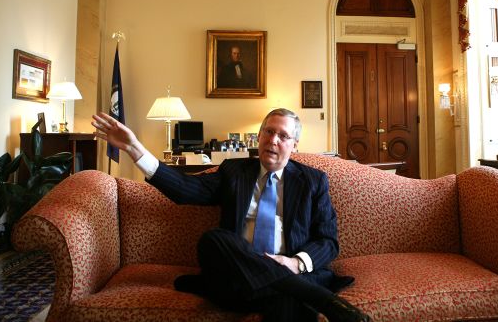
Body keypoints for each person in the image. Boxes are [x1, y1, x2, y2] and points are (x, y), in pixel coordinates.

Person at [91, 108, 369, 322]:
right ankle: (325, 302)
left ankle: (295, 289)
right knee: (214, 239)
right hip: (239, 275)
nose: (273, 140)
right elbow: (186, 190)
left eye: (283, 136)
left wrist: (295, 263)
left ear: (295, 144)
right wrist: (134, 148)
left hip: (291, 276)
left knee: (287, 302)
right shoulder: (234, 171)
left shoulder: (313, 181)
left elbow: (328, 241)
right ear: (258, 137)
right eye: (268, 132)